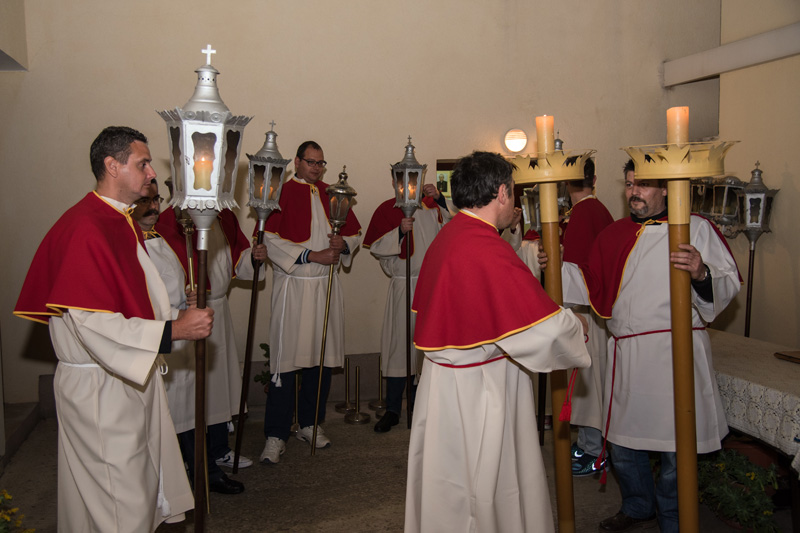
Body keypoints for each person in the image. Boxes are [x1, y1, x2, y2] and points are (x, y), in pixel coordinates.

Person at [14, 126, 214, 531]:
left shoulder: (117, 221)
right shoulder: (85, 228)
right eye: (142, 164)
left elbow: (130, 295)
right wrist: (173, 330)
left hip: (122, 378)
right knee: (122, 503)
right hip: (101, 392)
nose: (151, 175)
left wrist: (173, 313)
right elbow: (92, 323)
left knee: (122, 495)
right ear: (112, 165)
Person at [543, 159, 740, 532]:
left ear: (666, 188)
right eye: (630, 184)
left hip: (676, 352)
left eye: (643, 185)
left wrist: (700, 273)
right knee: (623, 444)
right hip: (629, 355)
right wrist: (551, 264)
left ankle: (673, 517)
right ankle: (637, 506)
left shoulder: (694, 229)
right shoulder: (614, 234)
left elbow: (726, 285)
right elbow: (588, 284)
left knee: (675, 449)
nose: (633, 192)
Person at [404, 151, 591, 533]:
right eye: (516, 194)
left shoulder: (452, 234)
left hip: (443, 387)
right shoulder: (484, 246)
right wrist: (577, 325)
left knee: (452, 488)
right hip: (480, 392)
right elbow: (547, 329)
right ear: (503, 193)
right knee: (486, 486)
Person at [132, 179, 266, 494]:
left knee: (212, 391)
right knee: (184, 406)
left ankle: (211, 457)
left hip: (207, 313)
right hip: (171, 330)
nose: (153, 207)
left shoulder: (222, 219)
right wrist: (187, 302)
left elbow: (236, 260)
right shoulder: (169, 224)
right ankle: (193, 470)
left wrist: (254, 257)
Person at [259, 141, 361, 463]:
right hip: (294, 288)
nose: (316, 168)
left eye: (320, 163)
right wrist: (309, 255)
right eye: (310, 162)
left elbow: (356, 234)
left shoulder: (334, 194)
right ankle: (275, 435)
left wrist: (343, 243)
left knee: (320, 363)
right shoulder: (282, 193)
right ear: (297, 162)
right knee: (285, 364)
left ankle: (310, 424)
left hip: (325, 287)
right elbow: (268, 239)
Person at [362, 182, 450, 433]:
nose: (408, 186)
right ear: (394, 182)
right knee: (399, 348)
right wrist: (399, 232)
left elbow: (455, 228)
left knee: (425, 347)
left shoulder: (433, 208)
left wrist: (441, 199)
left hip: (430, 287)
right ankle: (392, 410)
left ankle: (419, 406)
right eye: (402, 180)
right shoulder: (386, 210)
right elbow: (377, 248)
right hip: (403, 285)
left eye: (414, 180)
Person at [559, 158, 614, 476]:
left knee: (590, 381)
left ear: (567, 182)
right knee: (593, 379)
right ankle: (592, 445)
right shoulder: (598, 209)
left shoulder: (584, 212)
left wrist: (564, 307)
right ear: (594, 179)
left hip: (586, 311)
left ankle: (594, 450)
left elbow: (575, 270)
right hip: (598, 308)